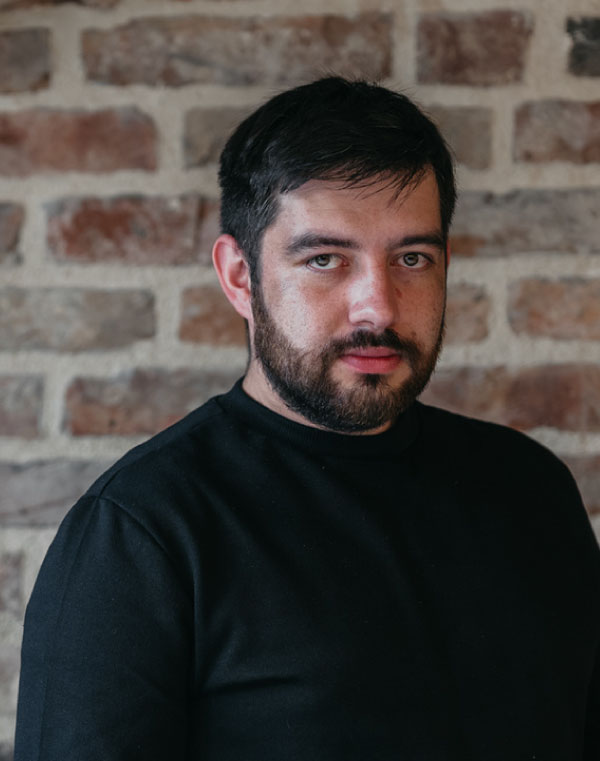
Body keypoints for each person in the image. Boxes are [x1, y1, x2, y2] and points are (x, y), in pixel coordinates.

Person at [14, 77, 600, 760]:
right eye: (325, 259)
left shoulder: (530, 489)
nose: (379, 307)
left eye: (412, 258)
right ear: (240, 276)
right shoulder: (141, 535)